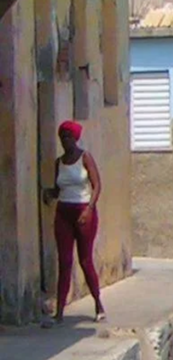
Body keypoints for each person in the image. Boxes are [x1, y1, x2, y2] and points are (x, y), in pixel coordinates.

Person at [42, 120, 105, 325]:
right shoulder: (59, 162)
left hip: (83, 211)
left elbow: (96, 186)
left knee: (85, 260)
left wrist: (89, 209)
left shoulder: (85, 157)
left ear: (75, 138)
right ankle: (60, 310)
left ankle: (98, 303)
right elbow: (59, 188)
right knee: (64, 261)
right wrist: (49, 193)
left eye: (68, 137)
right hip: (64, 212)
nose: (65, 141)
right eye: (62, 137)